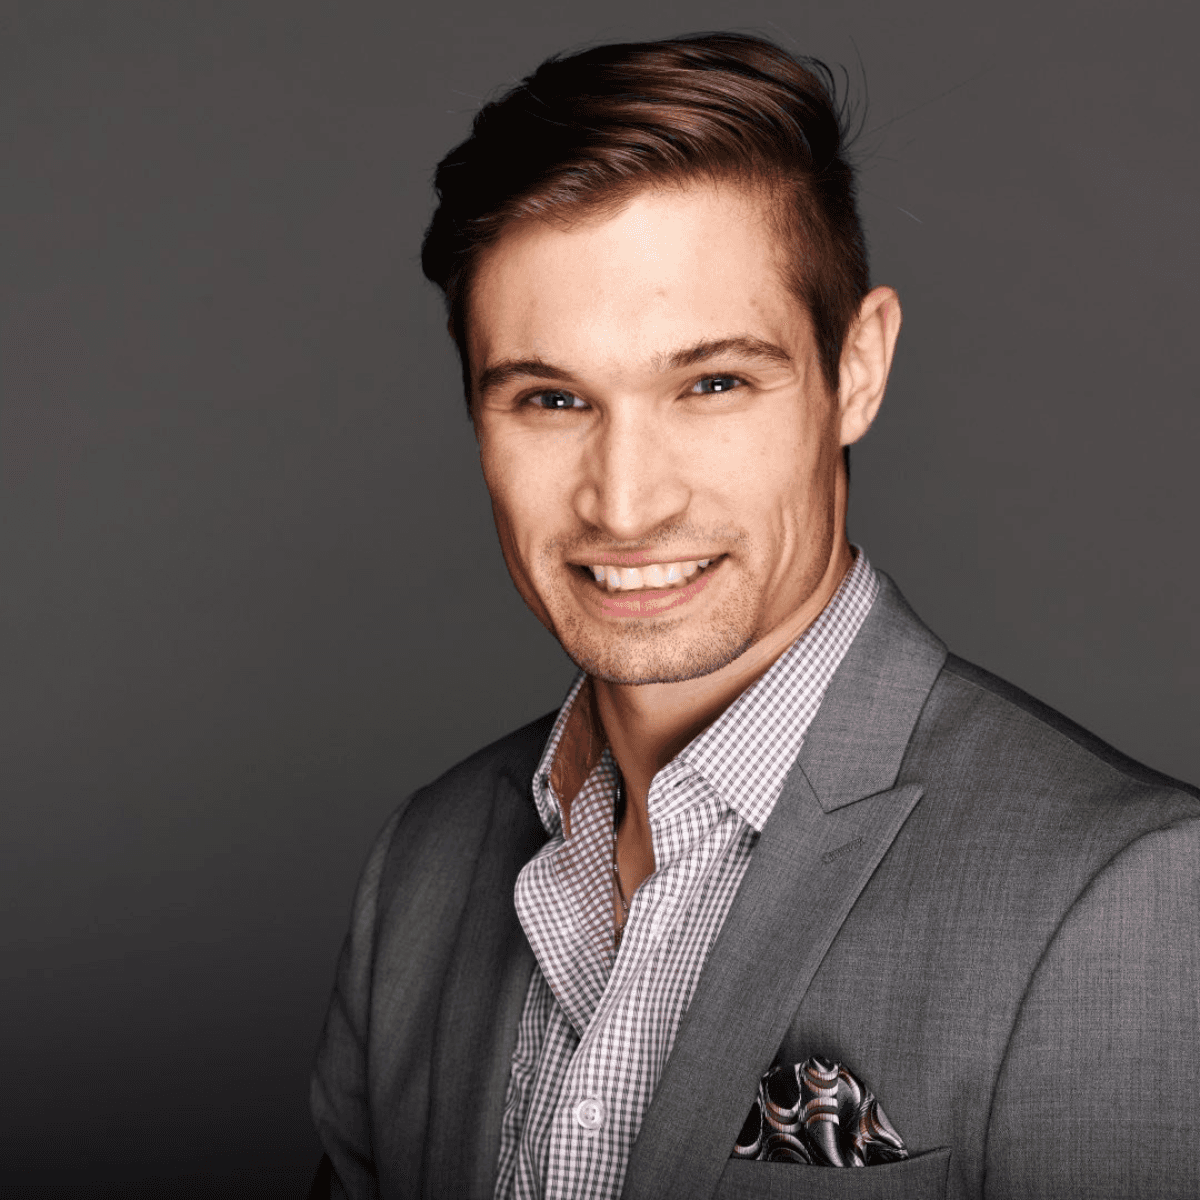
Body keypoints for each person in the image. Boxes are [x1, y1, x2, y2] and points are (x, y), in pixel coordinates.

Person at [308, 32, 1200, 1200]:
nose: (625, 501)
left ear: (858, 367)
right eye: (551, 397)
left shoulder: (1125, 898)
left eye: (713, 383)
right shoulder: (423, 868)